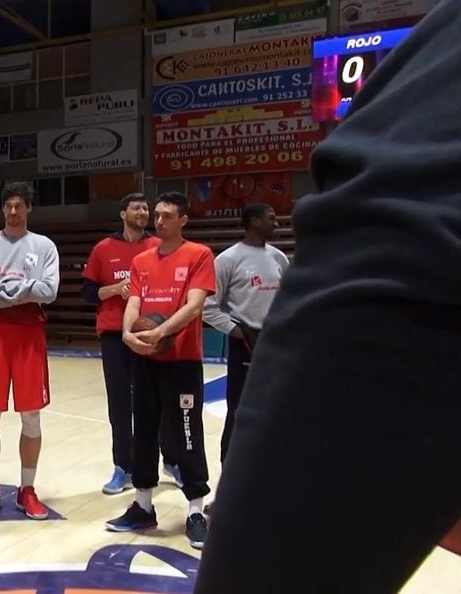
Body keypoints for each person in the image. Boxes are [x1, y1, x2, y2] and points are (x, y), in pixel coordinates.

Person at [195, 1, 461, 590]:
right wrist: (238, 329)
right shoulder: (232, 259)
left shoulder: (288, 259)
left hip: (384, 295)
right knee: (235, 427)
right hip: (346, 309)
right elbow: (211, 303)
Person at [105, 192, 215, 550]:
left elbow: (195, 304)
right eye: (157, 214)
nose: (159, 220)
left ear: (183, 220)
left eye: (168, 215)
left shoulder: (199, 255)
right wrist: (126, 333)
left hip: (182, 360)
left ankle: (196, 511)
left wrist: (161, 332)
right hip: (146, 359)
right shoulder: (142, 260)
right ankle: (143, 506)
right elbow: (133, 301)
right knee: (144, 433)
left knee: (186, 434)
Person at [0, 181, 60, 521]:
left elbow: (49, 291)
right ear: (2, 209)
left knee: (31, 413)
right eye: (8, 206)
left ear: (29, 208)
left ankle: (27, 489)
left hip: (30, 333)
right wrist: (23, 291)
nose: (14, 211)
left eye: (19, 205)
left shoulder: (44, 246)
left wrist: (6, 290)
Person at [81, 193, 183, 495]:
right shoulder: (104, 249)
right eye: (137, 208)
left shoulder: (157, 246)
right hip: (114, 334)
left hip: (152, 332)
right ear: (123, 213)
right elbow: (88, 294)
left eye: (146, 208)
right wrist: (115, 289)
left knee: (160, 401)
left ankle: (171, 460)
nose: (144, 212)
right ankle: (123, 467)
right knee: (120, 405)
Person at [202, 202, 289, 464]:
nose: (277, 223)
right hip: (244, 344)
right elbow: (207, 307)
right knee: (239, 412)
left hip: (275, 343)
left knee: (275, 411)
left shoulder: (278, 258)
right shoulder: (228, 260)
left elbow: (288, 297)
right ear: (253, 222)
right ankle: (227, 486)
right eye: (271, 218)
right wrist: (237, 331)